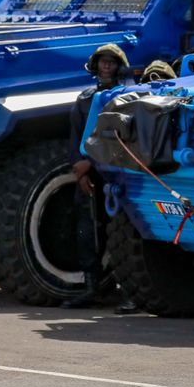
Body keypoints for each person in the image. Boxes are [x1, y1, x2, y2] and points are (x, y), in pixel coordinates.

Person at [62, 43, 129, 311]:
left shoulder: (126, 97)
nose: (106, 66)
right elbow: (75, 135)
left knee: (120, 233)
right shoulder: (85, 99)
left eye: (112, 62)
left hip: (115, 175)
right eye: (102, 61)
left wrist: (90, 163)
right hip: (88, 176)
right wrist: (79, 168)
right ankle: (92, 287)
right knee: (87, 231)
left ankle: (127, 289)